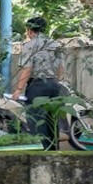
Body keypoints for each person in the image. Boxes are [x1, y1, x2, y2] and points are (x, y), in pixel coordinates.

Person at [11, 16, 64, 150]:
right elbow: (60, 68)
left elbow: (27, 69)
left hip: (37, 86)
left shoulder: (29, 45)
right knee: (52, 120)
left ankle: (42, 151)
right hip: (54, 85)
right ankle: (54, 150)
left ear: (29, 30)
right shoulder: (55, 44)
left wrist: (18, 89)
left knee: (36, 120)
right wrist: (56, 81)